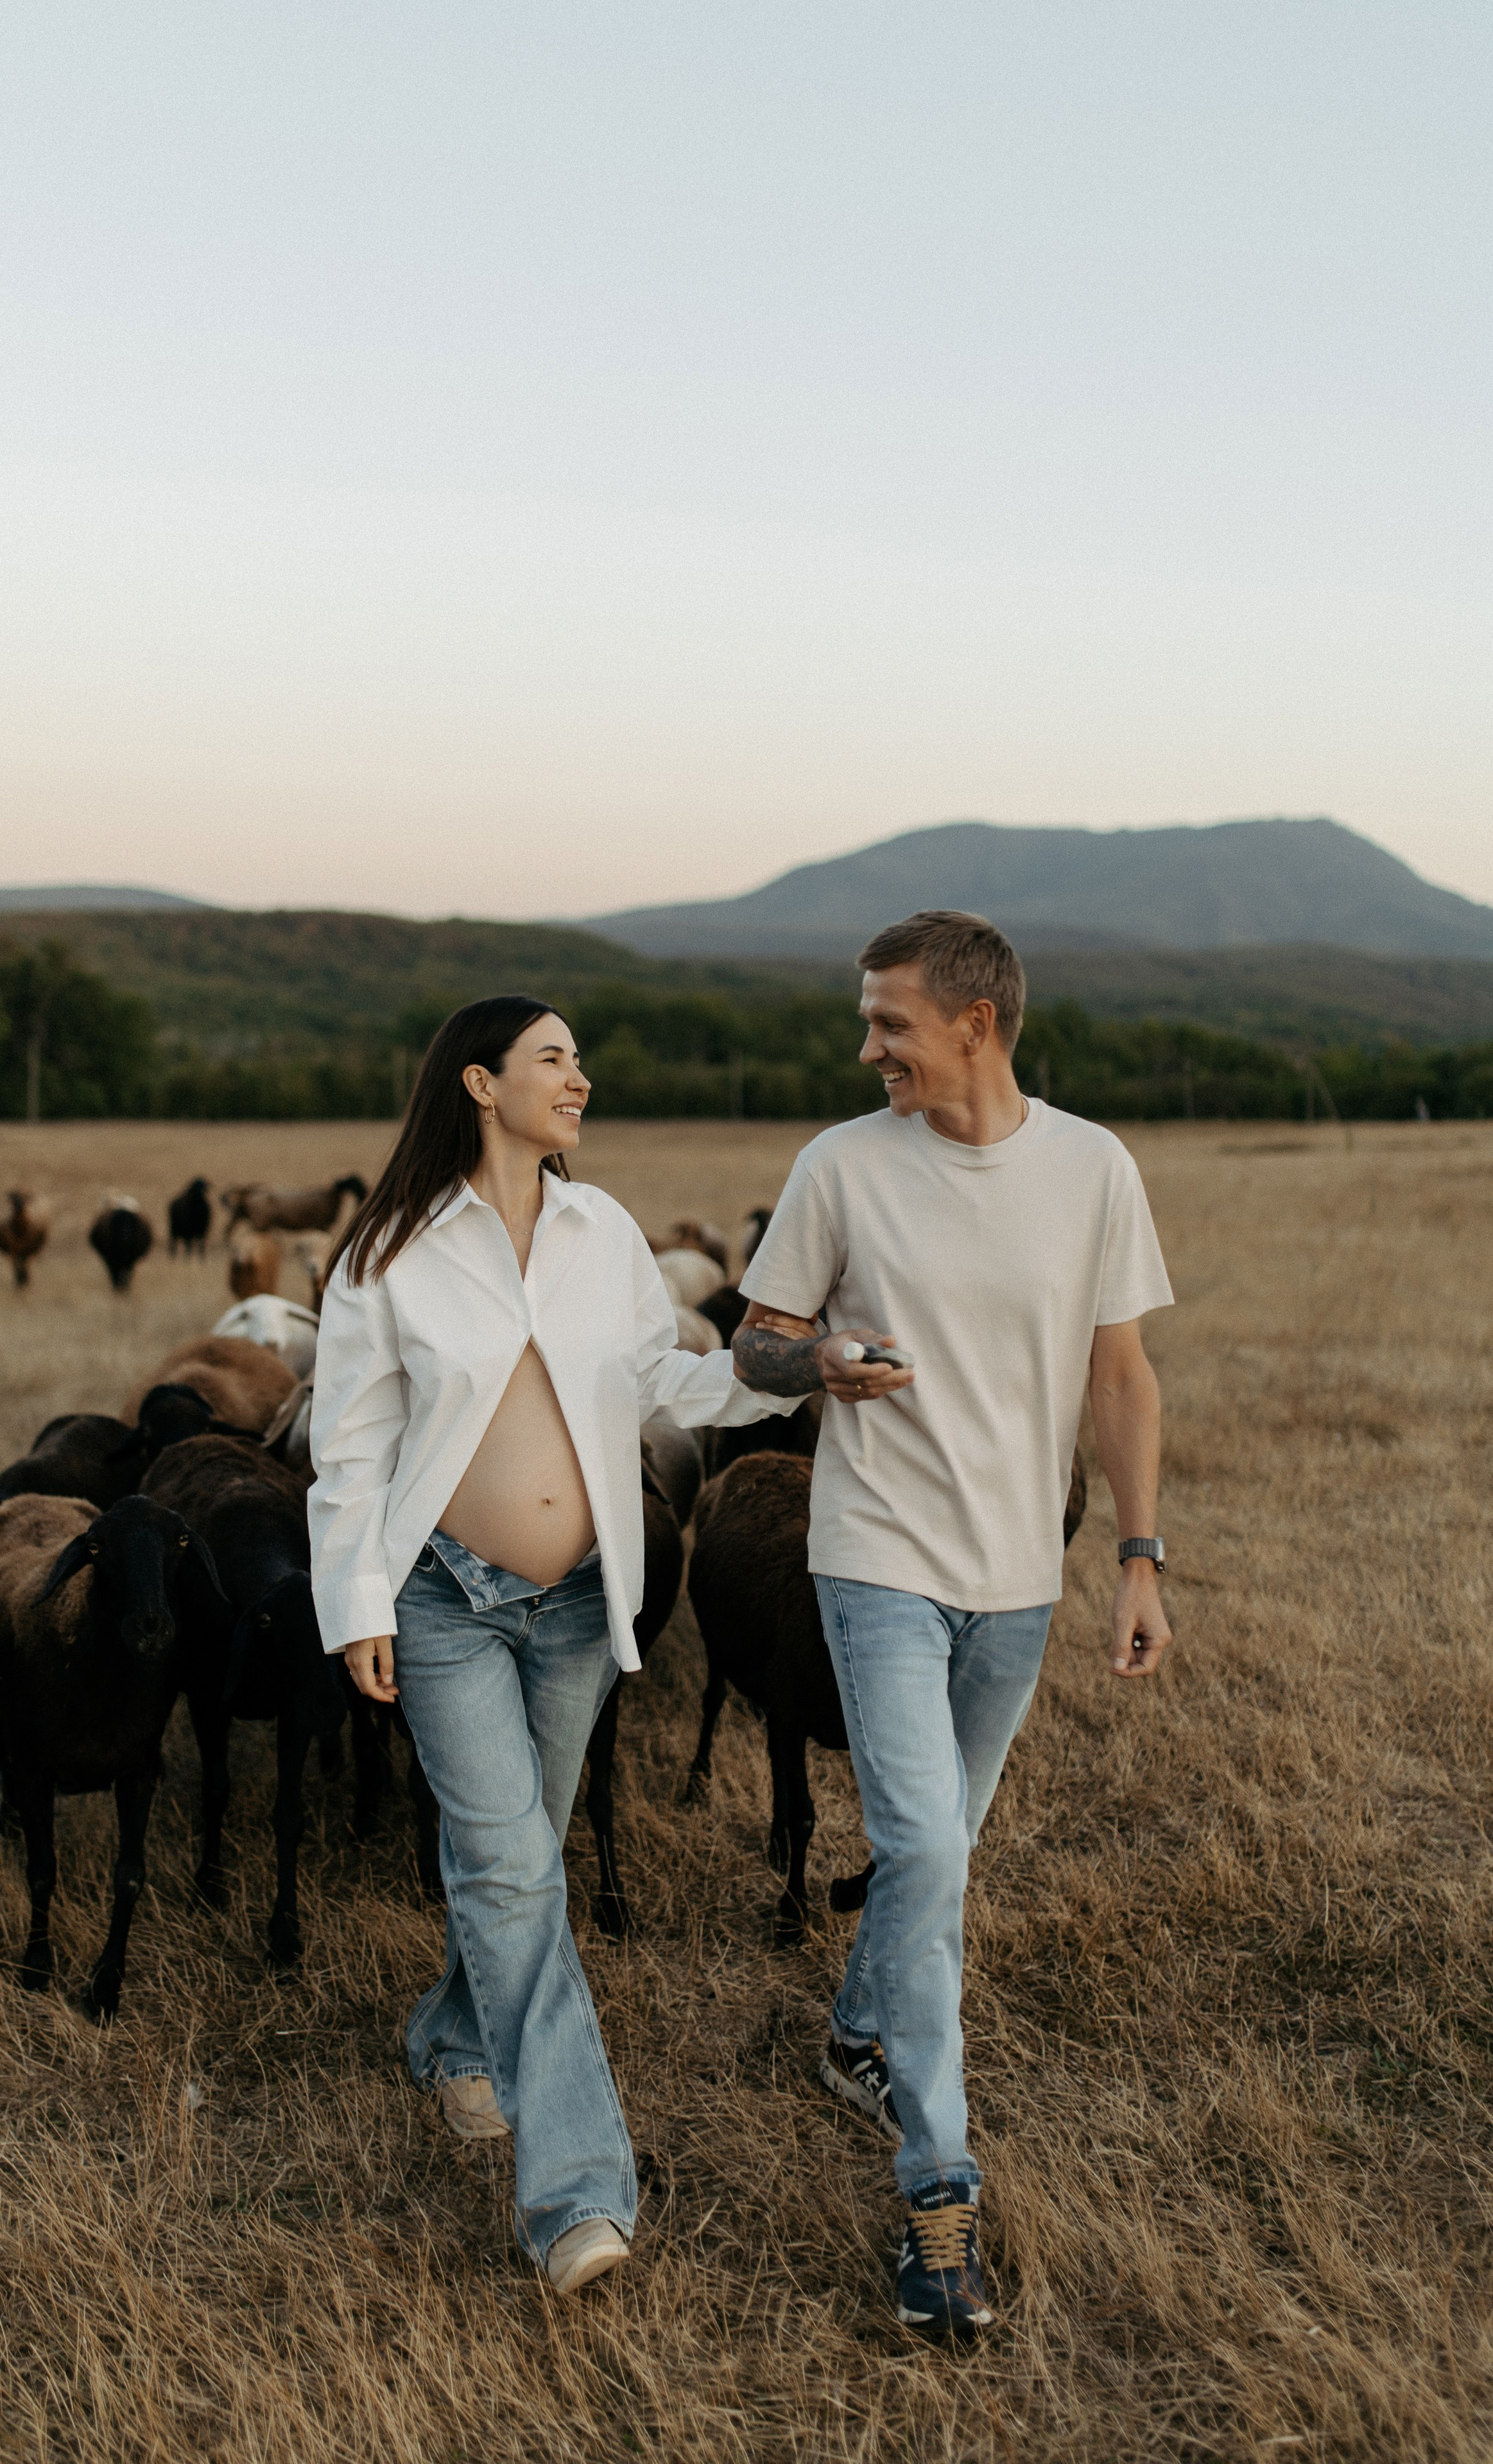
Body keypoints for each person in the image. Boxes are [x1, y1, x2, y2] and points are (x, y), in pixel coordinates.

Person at [308, 994, 800, 2296]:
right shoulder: (390, 1251)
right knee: (516, 1875)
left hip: (584, 1600)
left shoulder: (602, 1230)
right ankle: (576, 2194)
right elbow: (349, 1446)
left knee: (517, 1857)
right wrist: (355, 1599)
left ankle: (450, 2035)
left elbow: (666, 1381)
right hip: (446, 1600)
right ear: (479, 1082)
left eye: (579, 1058)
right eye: (552, 1059)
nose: (578, 1078)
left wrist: (795, 1377)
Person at [732, 909, 1173, 2338]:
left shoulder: (1091, 1167)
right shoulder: (841, 1164)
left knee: (940, 1853)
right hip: (873, 1556)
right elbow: (749, 1336)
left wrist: (1137, 1557)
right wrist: (817, 1360)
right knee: (922, 1847)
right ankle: (936, 2200)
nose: (867, 1049)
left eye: (889, 1025)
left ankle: (857, 2028)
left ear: (973, 1023)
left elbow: (1120, 1376)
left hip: (1017, 1578)